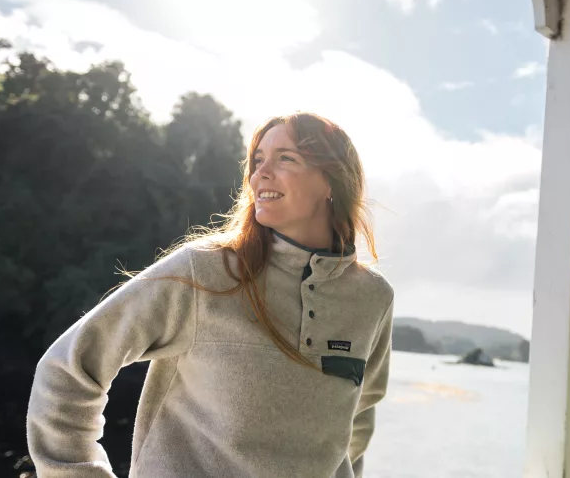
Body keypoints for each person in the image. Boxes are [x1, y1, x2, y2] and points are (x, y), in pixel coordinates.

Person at [26, 112, 394, 478]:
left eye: (286, 158)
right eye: (258, 160)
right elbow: (67, 368)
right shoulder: (204, 270)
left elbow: (358, 416)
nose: (260, 174)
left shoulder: (372, 298)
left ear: (332, 180)